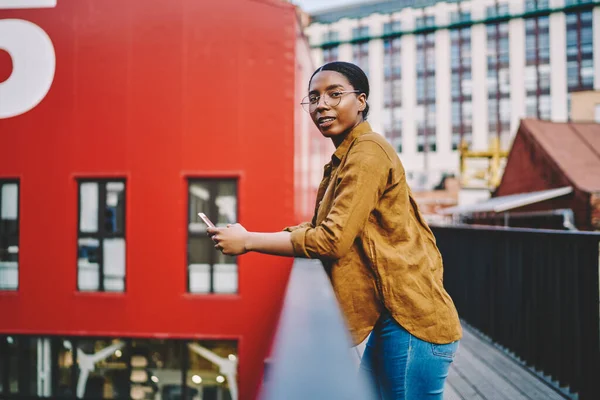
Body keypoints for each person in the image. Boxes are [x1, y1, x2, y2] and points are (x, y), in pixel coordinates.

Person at [207, 61, 462, 399]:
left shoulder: (368, 151)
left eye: (334, 94)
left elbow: (331, 240)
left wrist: (249, 241)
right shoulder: (345, 157)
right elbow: (321, 226)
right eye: (313, 98)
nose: (321, 105)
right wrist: (250, 234)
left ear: (362, 100)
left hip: (413, 320)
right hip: (394, 317)